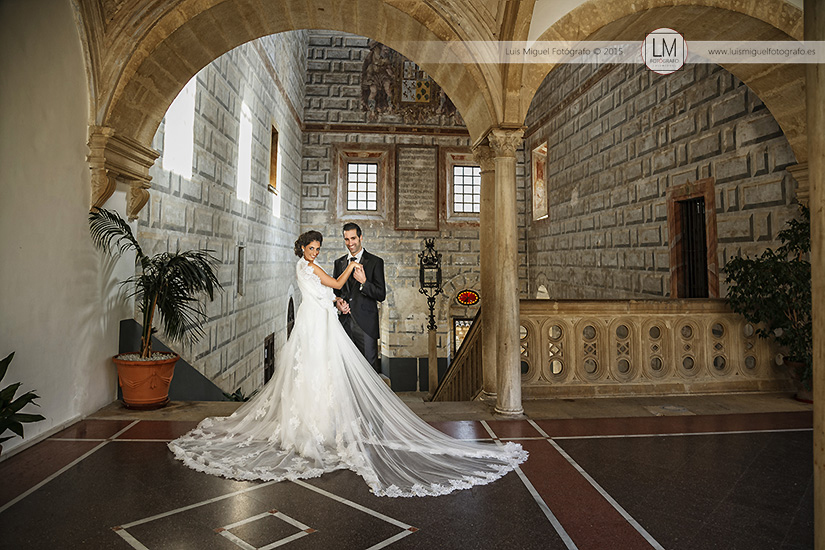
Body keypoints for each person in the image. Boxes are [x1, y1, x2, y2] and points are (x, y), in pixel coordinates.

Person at [168, 231, 527, 497]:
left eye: (319, 247)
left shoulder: (340, 264)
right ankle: (316, 428)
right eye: (313, 247)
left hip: (341, 322)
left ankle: (344, 424)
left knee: (332, 374)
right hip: (322, 327)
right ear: (304, 249)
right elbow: (335, 285)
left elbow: (354, 293)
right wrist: (348, 279)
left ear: (359, 239)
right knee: (318, 373)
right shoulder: (320, 266)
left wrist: (347, 293)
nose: (317, 251)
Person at [332, 223, 386, 375]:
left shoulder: (375, 262)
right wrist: (338, 303)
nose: (350, 243)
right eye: (346, 239)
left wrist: (364, 282)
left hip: (366, 326)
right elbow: (335, 292)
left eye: (353, 238)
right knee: (346, 369)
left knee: (369, 370)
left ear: (361, 237)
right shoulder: (339, 263)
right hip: (344, 324)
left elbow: (381, 294)